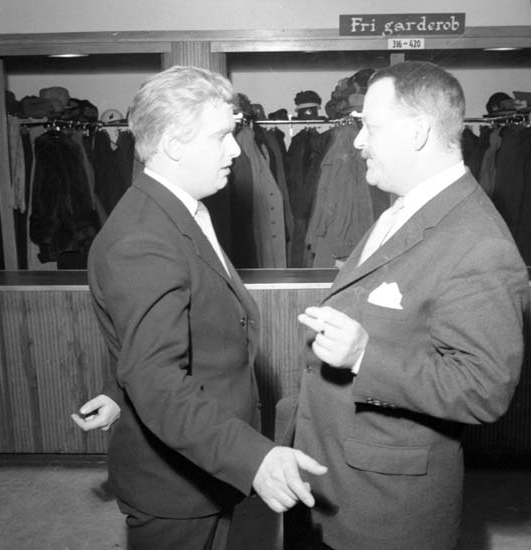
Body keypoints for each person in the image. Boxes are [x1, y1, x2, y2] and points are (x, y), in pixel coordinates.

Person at [71, 65, 326, 550]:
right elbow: (157, 378)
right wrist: (254, 458)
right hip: (176, 488)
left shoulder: (177, 209)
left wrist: (118, 390)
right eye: (221, 136)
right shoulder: (144, 239)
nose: (236, 150)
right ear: (173, 144)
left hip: (202, 465)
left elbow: (160, 339)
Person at [289, 61, 529, 550]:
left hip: (385, 512)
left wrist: (363, 356)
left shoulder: (478, 240)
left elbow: (485, 389)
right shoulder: (406, 205)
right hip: (338, 480)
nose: (358, 141)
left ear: (417, 131)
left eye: (370, 127)